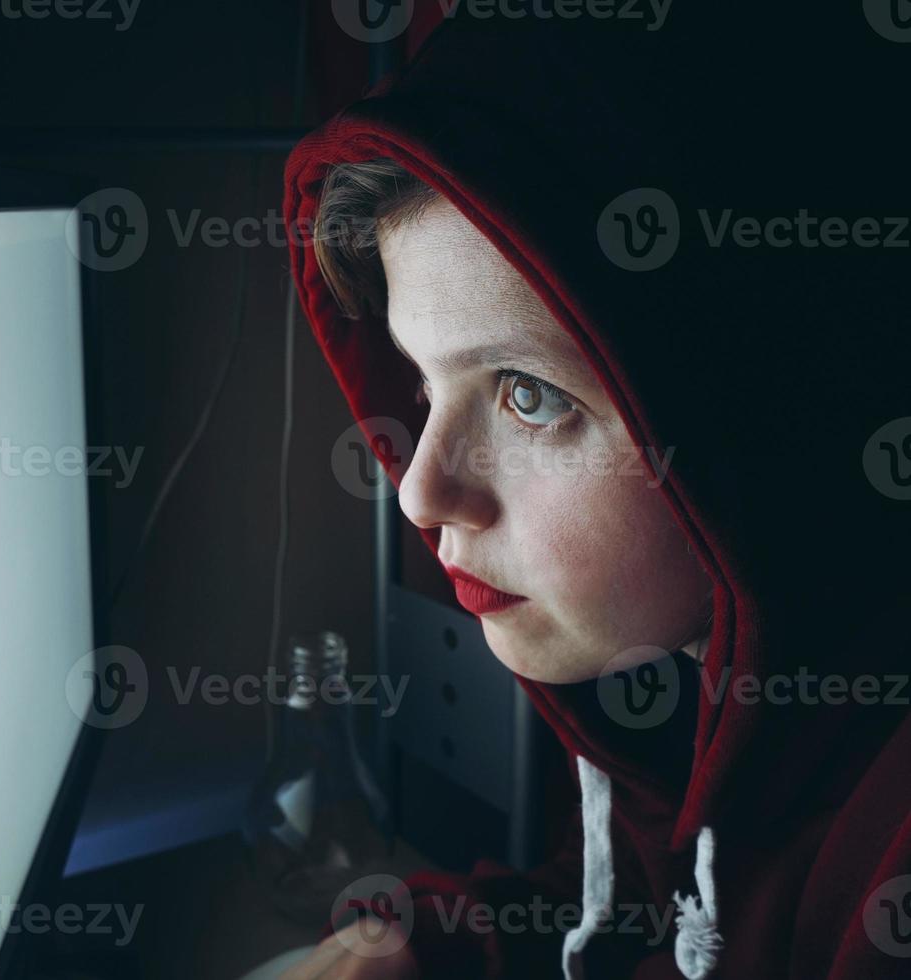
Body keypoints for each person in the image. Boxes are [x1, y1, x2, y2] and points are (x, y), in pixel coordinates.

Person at [276, 5, 911, 978]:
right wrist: (429, 947)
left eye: (527, 394)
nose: (421, 492)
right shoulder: (711, 693)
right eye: (420, 382)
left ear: (768, 410)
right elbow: (663, 901)